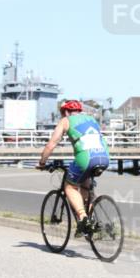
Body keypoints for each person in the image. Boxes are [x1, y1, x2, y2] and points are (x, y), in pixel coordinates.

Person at [37, 100, 110, 235]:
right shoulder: (91, 119)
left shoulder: (66, 120)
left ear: (65, 112)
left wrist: (42, 162)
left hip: (86, 158)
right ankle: (90, 222)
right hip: (104, 157)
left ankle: (83, 218)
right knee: (84, 185)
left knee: (69, 187)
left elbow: (51, 144)